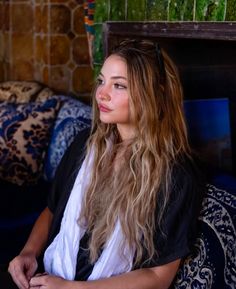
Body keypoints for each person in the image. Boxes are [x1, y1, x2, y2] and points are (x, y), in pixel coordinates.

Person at [5, 39, 204, 289]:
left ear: (155, 94)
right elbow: (53, 209)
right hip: (51, 275)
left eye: (119, 85)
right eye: (102, 81)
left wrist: (72, 288)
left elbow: (158, 277)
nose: (102, 93)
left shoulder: (176, 174)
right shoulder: (85, 145)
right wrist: (29, 252)